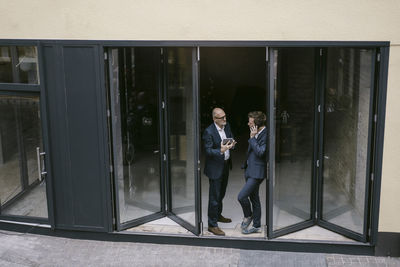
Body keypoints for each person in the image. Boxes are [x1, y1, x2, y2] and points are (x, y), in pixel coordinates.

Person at [203, 107, 236, 236]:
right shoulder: (208, 131)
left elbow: (231, 138)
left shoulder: (227, 127)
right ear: (214, 119)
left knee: (221, 193)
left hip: (225, 165)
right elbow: (208, 150)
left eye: (225, 116)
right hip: (215, 168)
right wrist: (221, 151)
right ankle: (212, 225)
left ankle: (217, 215)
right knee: (214, 197)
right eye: (221, 118)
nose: (224, 119)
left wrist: (232, 144)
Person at [238, 111, 267, 234]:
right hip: (250, 170)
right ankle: (256, 226)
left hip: (257, 173)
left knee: (241, 196)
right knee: (254, 198)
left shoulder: (266, 134)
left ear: (256, 124)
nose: (248, 123)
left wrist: (252, 138)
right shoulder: (255, 133)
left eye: (250, 122)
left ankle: (248, 216)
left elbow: (261, 152)